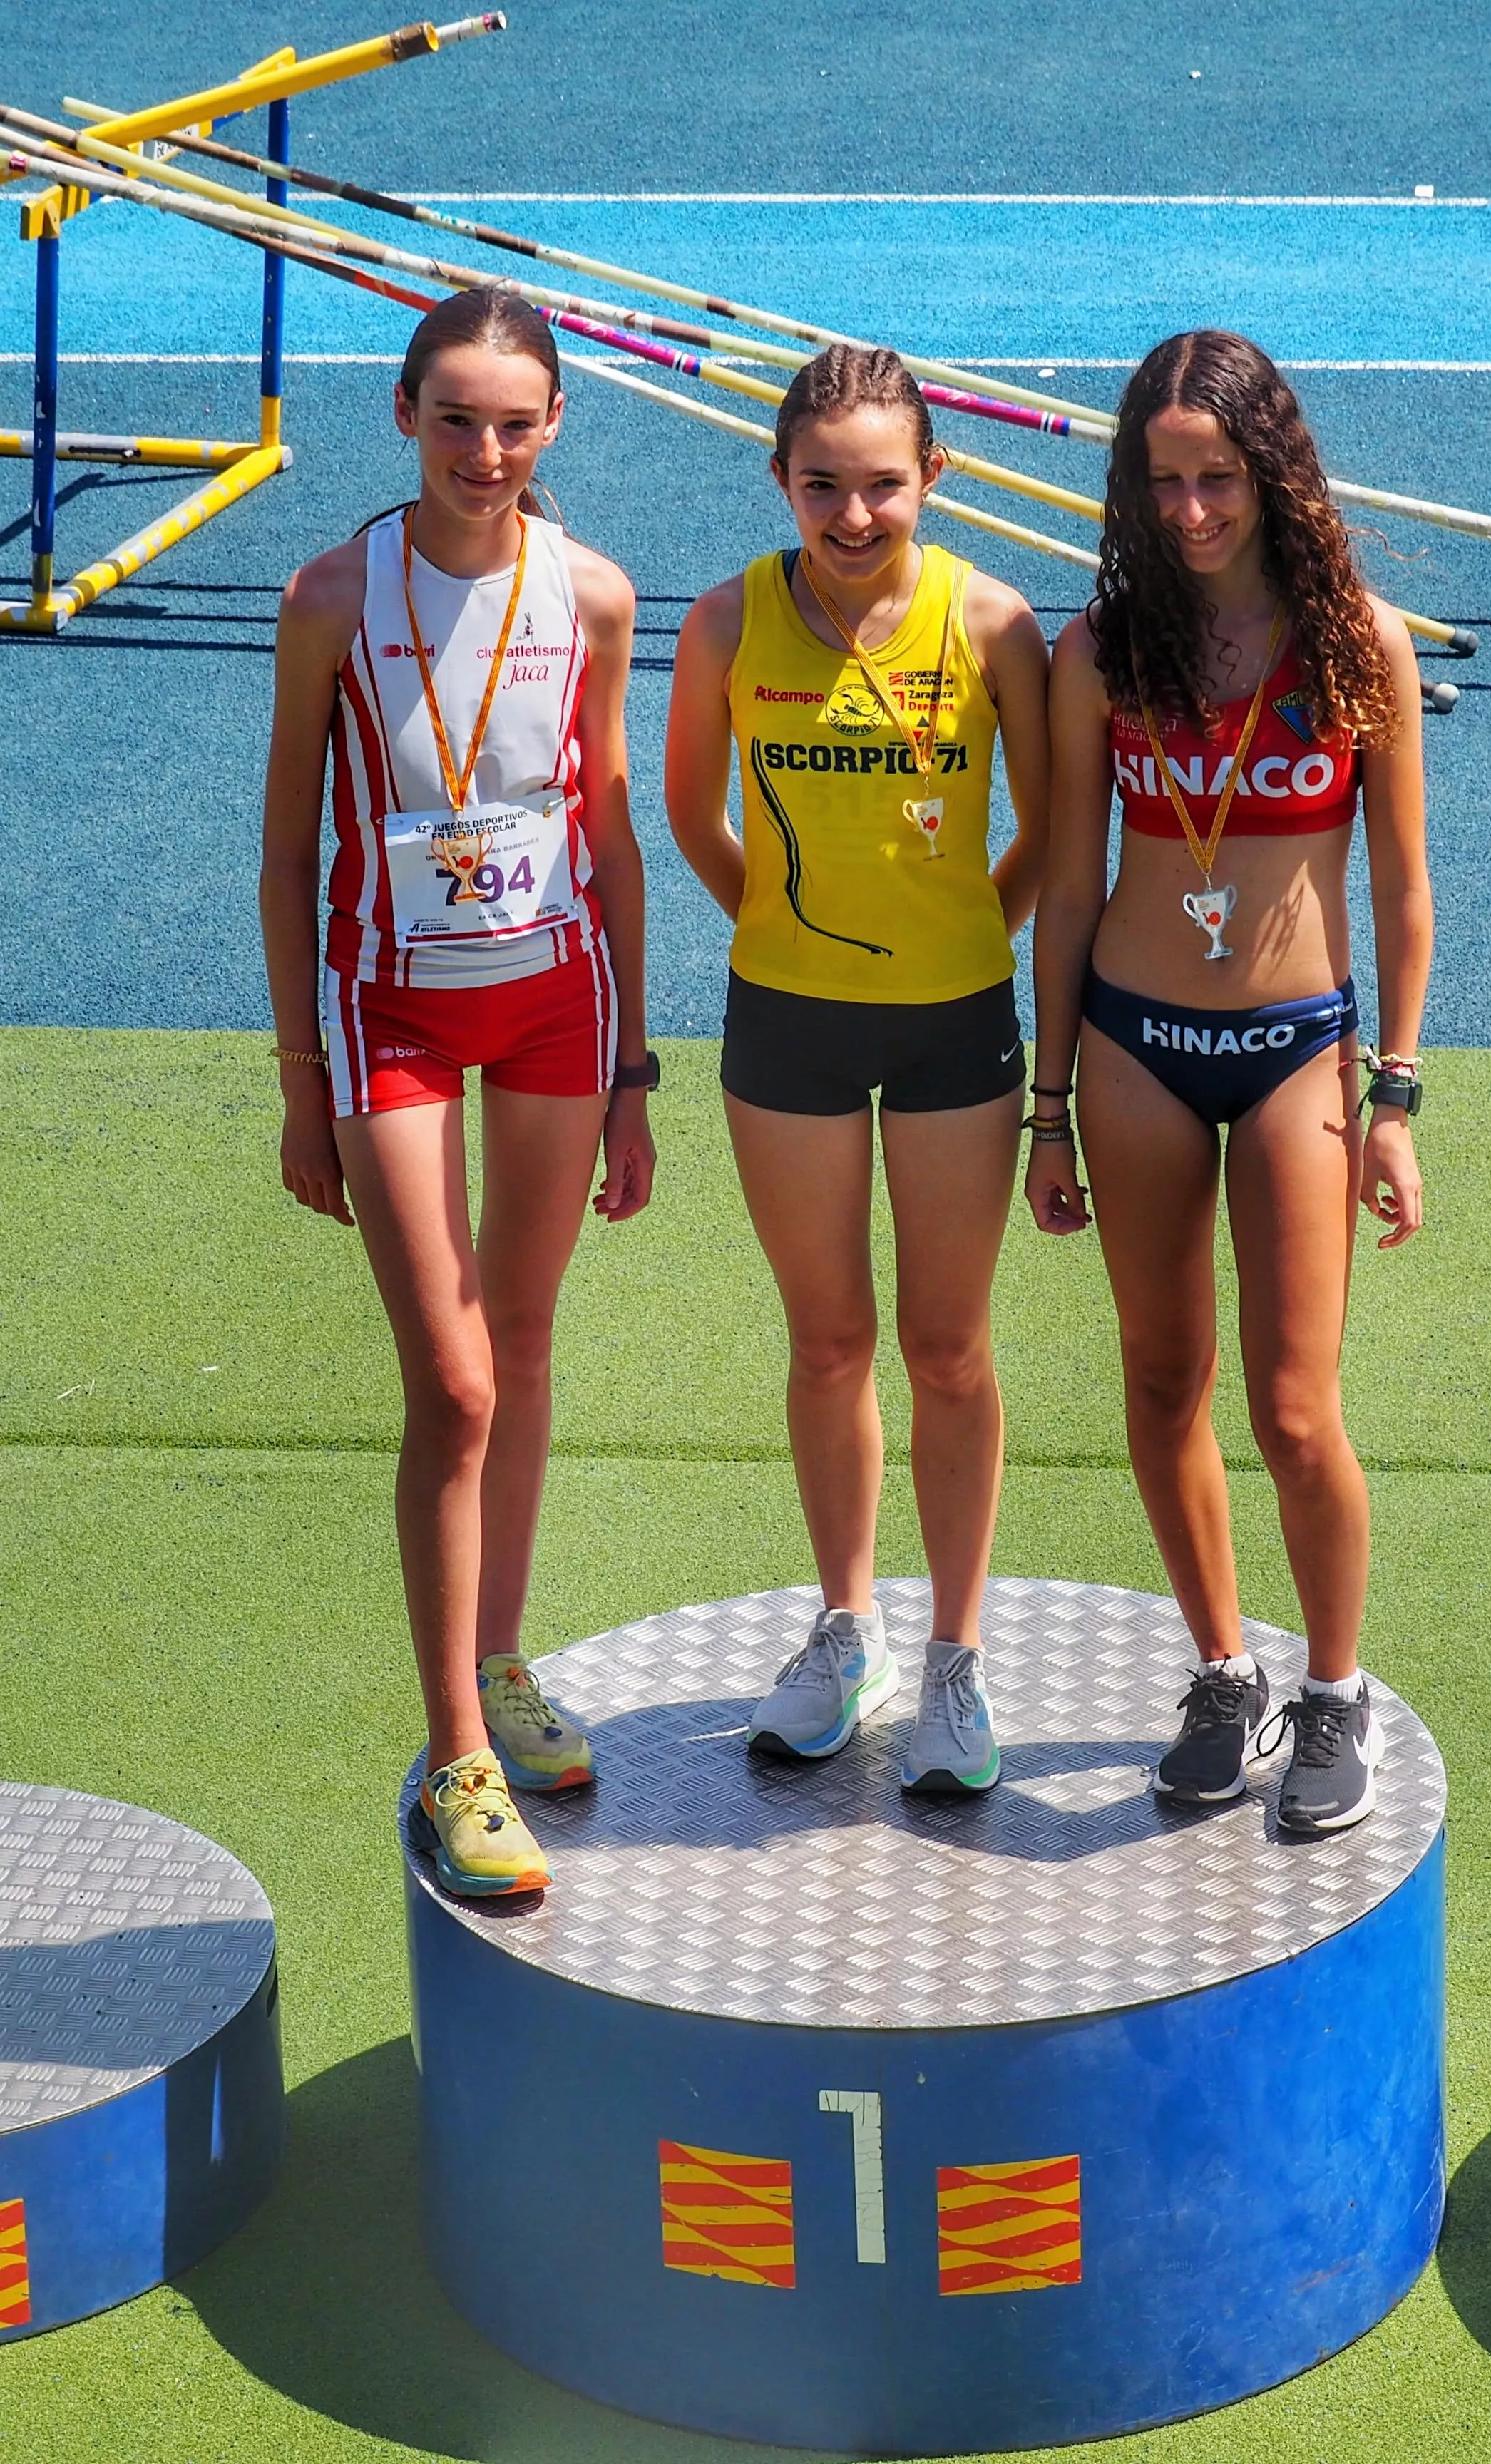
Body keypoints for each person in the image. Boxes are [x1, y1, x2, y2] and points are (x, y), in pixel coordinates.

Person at [260, 287, 655, 1897]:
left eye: (515, 423)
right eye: (455, 419)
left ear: (555, 425)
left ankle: (501, 1660)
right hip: (389, 1015)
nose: (485, 452)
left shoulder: (600, 596)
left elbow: (613, 835)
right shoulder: (332, 596)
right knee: (459, 1381)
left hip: (557, 1007)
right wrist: (303, 1079)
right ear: (404, 417)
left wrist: (635, 1070)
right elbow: (289, 853)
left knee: (531, 1340)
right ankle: (457, 1756)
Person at [1026, 329, 1430, 1833]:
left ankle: (1333, 1691)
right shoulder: (1103, 651)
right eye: (1167, 481)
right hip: (1134, 1043)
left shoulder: (1356, 646)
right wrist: (1048, 1104)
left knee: (1296, 1409)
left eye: (1221, 478)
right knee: (1158, 1380)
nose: (1194, 509)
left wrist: (1395, 1099)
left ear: (1275, 473)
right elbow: (1071, 888)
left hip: (1295, 1055)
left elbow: (1402, 891)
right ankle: (1221, 1670)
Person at [665, 345, 1049, 1793]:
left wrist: (963, 937)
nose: (850, 511)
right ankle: (849, 1630)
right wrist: (782, 935)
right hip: (784, 1023)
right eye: (821, 483)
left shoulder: (999, 625)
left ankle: (955, 1660)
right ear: (780, 478)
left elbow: (1057, 840)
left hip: (957, 1026)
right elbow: (692, 814)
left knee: (949, 1349)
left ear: (932, 478)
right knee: (827, 1343)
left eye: (882, 483)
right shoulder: (724, 624)